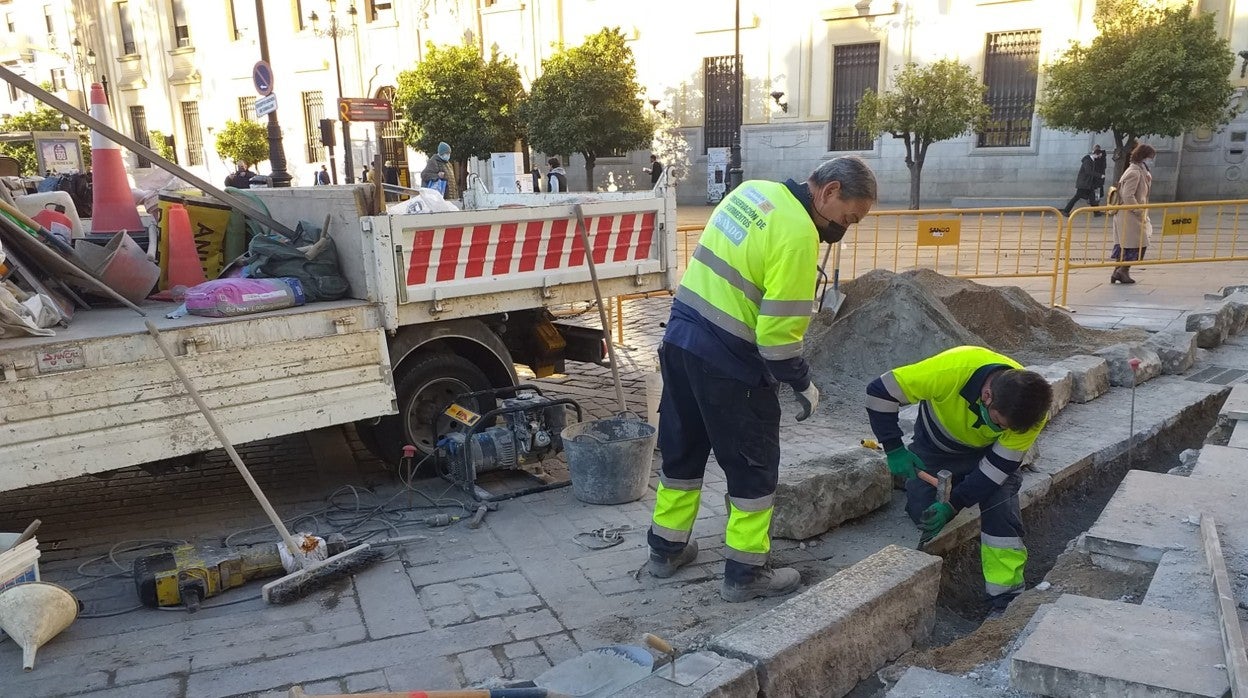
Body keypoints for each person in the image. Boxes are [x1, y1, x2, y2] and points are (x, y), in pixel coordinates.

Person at [646, 156, 877, 603]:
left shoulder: (752, 192)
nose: (845, 228)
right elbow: (777, 340)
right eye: (849, 217)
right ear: (828, 192)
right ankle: (745, 575)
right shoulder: (797, 236)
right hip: (730, 363)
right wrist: (802, 383)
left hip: (680, 340)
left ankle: (665, 550)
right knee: (753, 471)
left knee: (683, 454)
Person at [865, 346, 1052, 615]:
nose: (1002, 429)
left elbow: (998, 467)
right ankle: (958, 480)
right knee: (923, 514)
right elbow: (879, 391)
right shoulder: (951, 372)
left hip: (987, 455)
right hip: (936, 449)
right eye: (999, 423)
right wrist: (894, 448)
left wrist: (955, 503)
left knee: (999, 505)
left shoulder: (1029, 413)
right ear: (987, 396)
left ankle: (1006, 599)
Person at [1110, 143, 1155, 284]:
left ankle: (1118, 272)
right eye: (1150, 157)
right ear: (1144, 156)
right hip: (1130, 215)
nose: (1151, 160)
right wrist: (1138, 210)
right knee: (1134, 245)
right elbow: (1127, 195)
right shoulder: (1134, 172)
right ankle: (1122, 271)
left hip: (1130, 215)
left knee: (1127, 245)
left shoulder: (1138, 169)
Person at [1061, 145, 1106, 217]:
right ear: (1095, 154)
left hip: (1088, 184)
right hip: (1084, 183)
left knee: (1092, 197)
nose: (1099, 158)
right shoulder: (1087, 161)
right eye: (1098, 156)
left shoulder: (1091, 160)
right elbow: (1088, 171)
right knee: (1076, 197)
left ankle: (1096, 212)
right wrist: (1100, 175)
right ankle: (1066, 211)